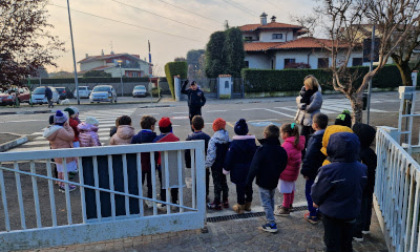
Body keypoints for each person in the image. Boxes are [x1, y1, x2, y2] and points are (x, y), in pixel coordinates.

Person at [311, 132, 367, 252]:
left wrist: (316, 201)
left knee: (332, 243)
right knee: (347, 242)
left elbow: (318, 190)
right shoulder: (362, 168)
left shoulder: (328, 170)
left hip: (332, 214)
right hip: (352, 211)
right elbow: (362, 186)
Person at [246, 125, 288, 233]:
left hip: (263, 180)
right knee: (270, 199)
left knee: (265, 203)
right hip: (274, 179)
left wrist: (248, 181)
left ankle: (271, 223)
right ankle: (272, 218)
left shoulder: (262, 150)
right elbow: (284, 163)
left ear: (265, 135)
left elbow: (254, 167)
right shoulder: (281, 150)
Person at [224, 119, 257, 214]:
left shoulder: (234, 144)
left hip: (238, 170)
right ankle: (248, 204)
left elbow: (229, 158)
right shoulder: (251, 142)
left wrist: (226, 169)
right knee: (249, 186)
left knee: (240, 188)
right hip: (250, 168)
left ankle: (240, 205)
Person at [300, 113, 328, 224]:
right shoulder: (328, 137)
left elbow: (309, 156)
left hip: (313, 172)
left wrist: (305, 170)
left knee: (311, 192)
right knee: (322, 192)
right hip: (324, 170)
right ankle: (320, 211)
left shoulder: (314, 139)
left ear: (315, 125)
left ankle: (313, 214)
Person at [352, 123, 377, 242]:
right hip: (370, 183)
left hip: (360, 185)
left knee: (359, 208)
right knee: (367, 205)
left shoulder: (357, 153)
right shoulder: (370, 153)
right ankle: (366, 227)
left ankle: (357, 233)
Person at [275, 123, 305, 216]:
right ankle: (289, 205)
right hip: (293, 171)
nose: (281, 134)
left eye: (281, 132)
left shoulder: (287, 145)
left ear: (286, 134)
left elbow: (282, 159)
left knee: (286, 191)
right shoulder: (297, 142)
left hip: (286, 172)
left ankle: (285, 208)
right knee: (290, 189)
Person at [43, 110, 77, 192]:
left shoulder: (52, 129)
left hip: (57, 152)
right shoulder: (60, 130)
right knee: (65, 170)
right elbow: (70, 137)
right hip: (64, 153)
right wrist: (69, 128)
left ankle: (61, 184)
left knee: (60, 170)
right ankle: (65, 186)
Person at [153, 117, 181, 210]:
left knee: (163, 185)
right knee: (174, 184)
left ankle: (164, 203)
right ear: (170, 127)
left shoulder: (157, 140)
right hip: (173, 165)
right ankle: (174, 202)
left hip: (162, 166)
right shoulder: (175, 139)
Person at [131, 115, 158, 208]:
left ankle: (137, 199)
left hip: (140, 163)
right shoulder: (154, 137)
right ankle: (150, 199)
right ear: (151, 126)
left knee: (140, 182)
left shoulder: (136, 137)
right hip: (151, 163)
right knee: (150, 183)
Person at [184, 115, 211, 203]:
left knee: (195, 178)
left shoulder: (189, 138)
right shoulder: (207, 137)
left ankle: (197, 195)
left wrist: (188, 164)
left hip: (194, 163)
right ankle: (205, 194)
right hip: (204, 162)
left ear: (192, 126)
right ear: (203, 125)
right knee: (206, 178)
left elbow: (187, 152)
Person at [206, 118, 230, 210]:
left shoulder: (213, 139)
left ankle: (217, 202)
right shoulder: (227, 137)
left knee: (217, 183)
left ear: (215, 128)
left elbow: (211, 154)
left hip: (216, 165)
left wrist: (207, 165)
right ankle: (225, 200)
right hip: (224, 164)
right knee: (224, 182)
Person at [294, 75, 323, 150]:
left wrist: (303, 106)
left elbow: (310, 107)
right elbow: (301, 103)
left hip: (313, 121)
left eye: (306, 85)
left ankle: (309, 152)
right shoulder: (306, 93)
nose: (305, 87)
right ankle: (303, 154)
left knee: (312, 140)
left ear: (310, 85)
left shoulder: (317, 94)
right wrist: (302, 105)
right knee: (303, 139)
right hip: (305, 120)